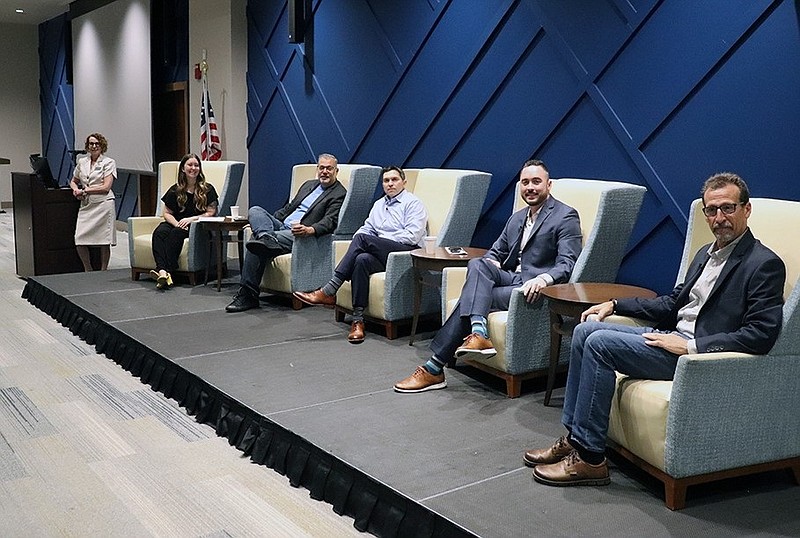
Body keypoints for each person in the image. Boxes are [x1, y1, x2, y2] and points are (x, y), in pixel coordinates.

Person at [525, 172, 786, 487]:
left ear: (746, 210)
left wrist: (691, 347)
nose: (719, 218)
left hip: (695, 358)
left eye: (728, 208)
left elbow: (760, 334)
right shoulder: (705, 254)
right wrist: (615, 305)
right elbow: (671, 304)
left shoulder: (764, 264)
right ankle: (575, 436)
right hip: (671, 339)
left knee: (599, 345)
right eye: (711, 210)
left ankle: (591, 458)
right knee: (585, 330)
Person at [393, 159, 583, 393]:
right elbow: (496, 252)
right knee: (478, 263)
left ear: (549, 184)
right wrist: (491, 261)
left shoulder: (565, 216)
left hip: (534, 287)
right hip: (511, 278)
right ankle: (478, 332)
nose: (530, 187)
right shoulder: (518, 218)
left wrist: (544, 279)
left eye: (536, 182)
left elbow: (567, 263)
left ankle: (434, 367)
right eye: (525, 182)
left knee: (473, 297)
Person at [293, 166, 428, 344]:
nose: (390, 184)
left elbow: (413, 235)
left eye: (394, 180)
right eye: (386, 181)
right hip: (382, 252)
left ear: (404, 182)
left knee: (364, 240)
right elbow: (367, 228)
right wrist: (362, 238)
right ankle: (358, 321)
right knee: (361, 259)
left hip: (405, 251)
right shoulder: (379, 204)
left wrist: (376, 240)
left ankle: (329, 290)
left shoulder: (413, 203)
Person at [225, 153, 347, 312]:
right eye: (321, 168)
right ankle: (267, 237)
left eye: (329, 168)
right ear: (317, 169)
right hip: (281, 226)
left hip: (298, 234)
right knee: (255, 210)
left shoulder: (339, 193)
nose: (324, 171)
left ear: (336, 171)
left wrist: (310, 229)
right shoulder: (308, 184)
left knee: (255, 240)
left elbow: (330, 221)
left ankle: (248, 295)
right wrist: (269, 221)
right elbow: (289, 208)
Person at [150, 154, 218, 289]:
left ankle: (167, 271)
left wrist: (189, 220)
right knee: (159, 232)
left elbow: (211, 213)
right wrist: (178, 223)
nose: (193, 168)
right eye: (190, 165)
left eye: (196, 165)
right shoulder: (175, 190)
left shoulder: (208, 189)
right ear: (183, 168)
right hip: (177, 223)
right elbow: (167, 213)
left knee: (176, 233)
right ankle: (163, 271)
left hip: (197, 226)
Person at [69, 133, 117, 271]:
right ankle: (88, 269)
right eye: (91, 144)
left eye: (97, 144)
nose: (94, 146)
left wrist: (85, 191)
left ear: (102, 146)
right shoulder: (82, 162)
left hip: (103, 204)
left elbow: (106, 187)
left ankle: (103, 270)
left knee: (104, 241)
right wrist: (75, 190)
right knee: (79, 238)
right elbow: (73, 181)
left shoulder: (109, 162)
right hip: (86, 205)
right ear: (87, 146)